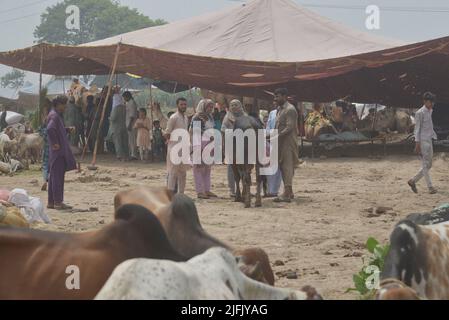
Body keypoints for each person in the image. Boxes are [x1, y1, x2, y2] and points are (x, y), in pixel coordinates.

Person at [46, 95, 77, 210]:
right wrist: (55, 143)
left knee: (54, 177)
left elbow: (57, 130)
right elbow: (50, 129)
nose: (65, 107)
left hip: (55, 153)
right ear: (58, 104)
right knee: (57, 177)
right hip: (58, 153)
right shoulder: (54, 116)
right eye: (64, 105)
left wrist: (67, 130)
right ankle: (58, 202)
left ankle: (51, 202)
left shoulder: (54, 114)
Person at [271, 88, 299, 203]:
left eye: (277, 96)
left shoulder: (290, 109)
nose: (275, 99)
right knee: (282, 166)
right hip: (280, 142)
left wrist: (275, 136)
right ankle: (289, 191)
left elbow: (289, 127)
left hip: (288, 142)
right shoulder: (279, 109)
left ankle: (286, 193)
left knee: (287, 166)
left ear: (284, 96)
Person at [408, 92, 438, 194]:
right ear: (425, 101)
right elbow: (417, 129)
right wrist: (417, 144)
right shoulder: (419, 113)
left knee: (429, 165)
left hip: (429, 139)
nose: (432, 104)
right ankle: (430, 187)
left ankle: (413, 181)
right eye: (430, 102)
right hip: (422, 141)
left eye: (432, 102)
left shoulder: (430, 111)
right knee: (425, 165)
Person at [190, 99, 217, 199]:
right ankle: (200, 191)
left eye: (211, 107)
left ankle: (207, 189)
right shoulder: (197, 117)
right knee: (198, 168)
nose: (210, 108)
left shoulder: (210, 117)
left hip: (209, 144)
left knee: (207, 168)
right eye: (209, 107)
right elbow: (196, 132)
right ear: (204, 107)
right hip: (200, 144)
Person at [221, 99, 247, 197]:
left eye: (236, 105)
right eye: (232, 105)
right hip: (231, 145)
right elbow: (223, 131)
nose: (234, 107)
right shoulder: (227, 117)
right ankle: (232, 190)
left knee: (243, 168)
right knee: (231, 169)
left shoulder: (245, 116)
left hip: (243, 146)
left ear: (240, 106)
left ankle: (244, 188)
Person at [164, 98, 189, 194]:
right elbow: (167, 133)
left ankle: (181, 194)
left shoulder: (185, 118)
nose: (183, 106)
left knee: (183, 173)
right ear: (177, 105)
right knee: (173, 173)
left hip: (184, 149)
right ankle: (170, 195)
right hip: (174, 148)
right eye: (181, 104)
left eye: (185, 104)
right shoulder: (173, 117)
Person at [265, 102, 282, 198]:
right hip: (271, 141)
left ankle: (275, 190)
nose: (276, 104)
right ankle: (270, 190)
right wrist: (268, 136)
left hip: (281, 141)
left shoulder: (286, 112)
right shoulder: (272, 113)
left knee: (278, 168)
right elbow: (268, 126)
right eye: (275, 103)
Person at [108, 92, 129, 161]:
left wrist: (109, 118)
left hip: (116, 128)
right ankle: (126, 155)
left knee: (118, 142)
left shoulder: (115, 108)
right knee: (124, 142)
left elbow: (113, 118)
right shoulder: (124, 107)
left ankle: (120, 155)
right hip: (124, 126)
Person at [123, 91, 138, 160]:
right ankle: (132, 153)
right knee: (130, 139)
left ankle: (133, 155)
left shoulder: (132, 103)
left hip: (131, 123)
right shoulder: (128, 103)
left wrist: (130, 125)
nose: (124, 99)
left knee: (132, 140)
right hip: (128, 122)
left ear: (127, 97)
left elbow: (132, 116)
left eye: (124, 97)